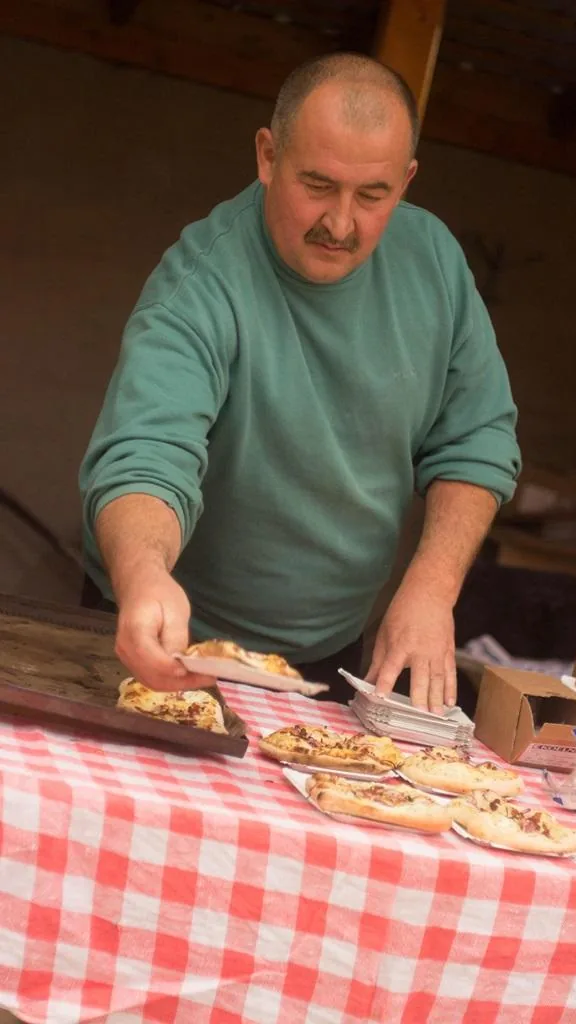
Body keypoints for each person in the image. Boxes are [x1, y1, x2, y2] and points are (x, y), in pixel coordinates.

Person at [80, 52, 521, 713]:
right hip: (162, 631)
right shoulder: (199, 283)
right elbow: (147, 454)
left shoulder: (432, 259)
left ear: (405, 181)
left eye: (372, 196)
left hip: (328, 647)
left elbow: (476, 437)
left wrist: (431, 589)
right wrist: (144, 574)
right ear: (266, 156)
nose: (340, 224)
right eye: (317, 185)